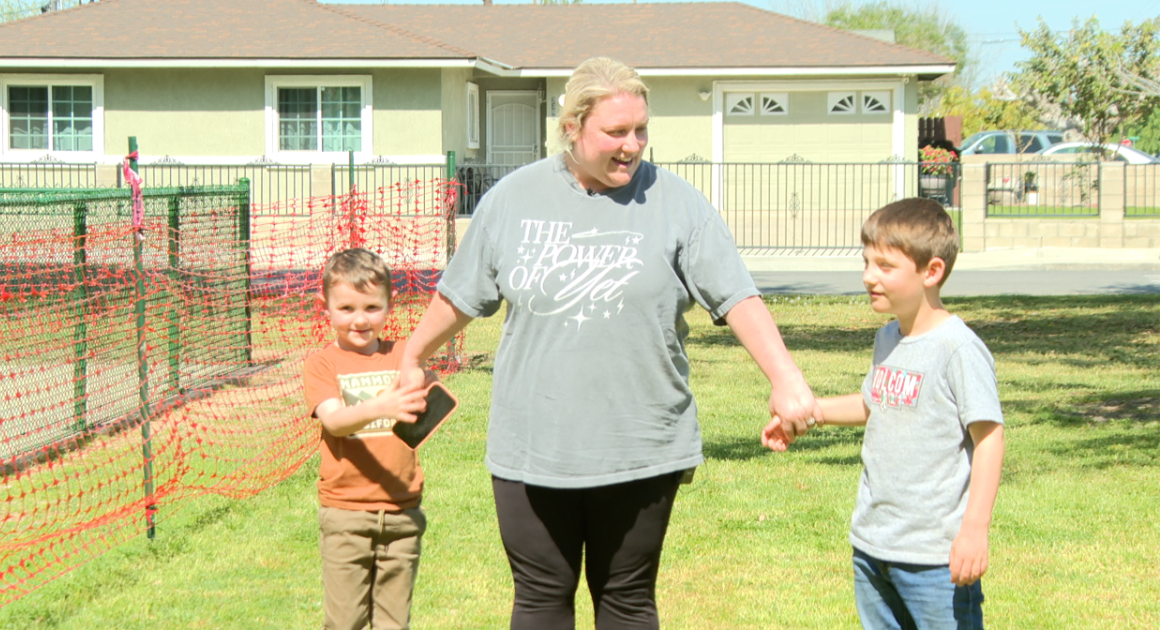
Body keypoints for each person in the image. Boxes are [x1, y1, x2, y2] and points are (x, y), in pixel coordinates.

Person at [399, 57, 821, 629]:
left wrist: (786, 378)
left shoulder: (676, 203)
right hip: (534, 446)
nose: (633, 146)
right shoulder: (514, 199)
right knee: (541, 596)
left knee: (626, 598)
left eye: (640, 130)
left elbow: (737, 296)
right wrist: (412, 354)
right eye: (615, 132)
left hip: (640, 444)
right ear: (572, 127)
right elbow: (461, 295)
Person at [763, 198, 1006, 630]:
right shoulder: (889, 338)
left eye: (884, 266)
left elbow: (989, 439)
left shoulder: (958, 349)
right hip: (874, 546)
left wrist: (975, 529)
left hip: (935, 557)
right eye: (866, 262)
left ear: (931, 272)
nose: (868, 277)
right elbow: (873, 402)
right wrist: (807, 414)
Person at [303, 247, 431, 630]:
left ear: (390, 305)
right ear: (324, 306)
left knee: (395, 624)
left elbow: (426, 404)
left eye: (372, 308)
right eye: (346, 309)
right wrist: (382, 406)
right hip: (346, 514)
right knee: (346, 623)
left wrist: (424, 390)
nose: (360, 320)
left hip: (402, 513)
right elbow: (336, 421)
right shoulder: (322, 363)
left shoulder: (404, 355)